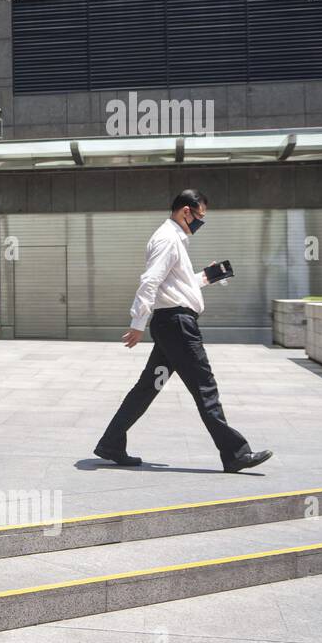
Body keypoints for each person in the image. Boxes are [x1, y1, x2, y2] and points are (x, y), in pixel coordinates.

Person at [93, 190, 273, 473]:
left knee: (147, 388)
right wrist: (137, 323)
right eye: (200, 216)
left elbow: (175, 286)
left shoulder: (174, 239)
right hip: (177, 326)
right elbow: (150, 281)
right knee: (205, 387)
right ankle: (235, 453)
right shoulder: (167, 239)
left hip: (171, 326)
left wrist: (208, 276)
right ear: (185, 211)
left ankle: (111, 443)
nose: (201, 222)